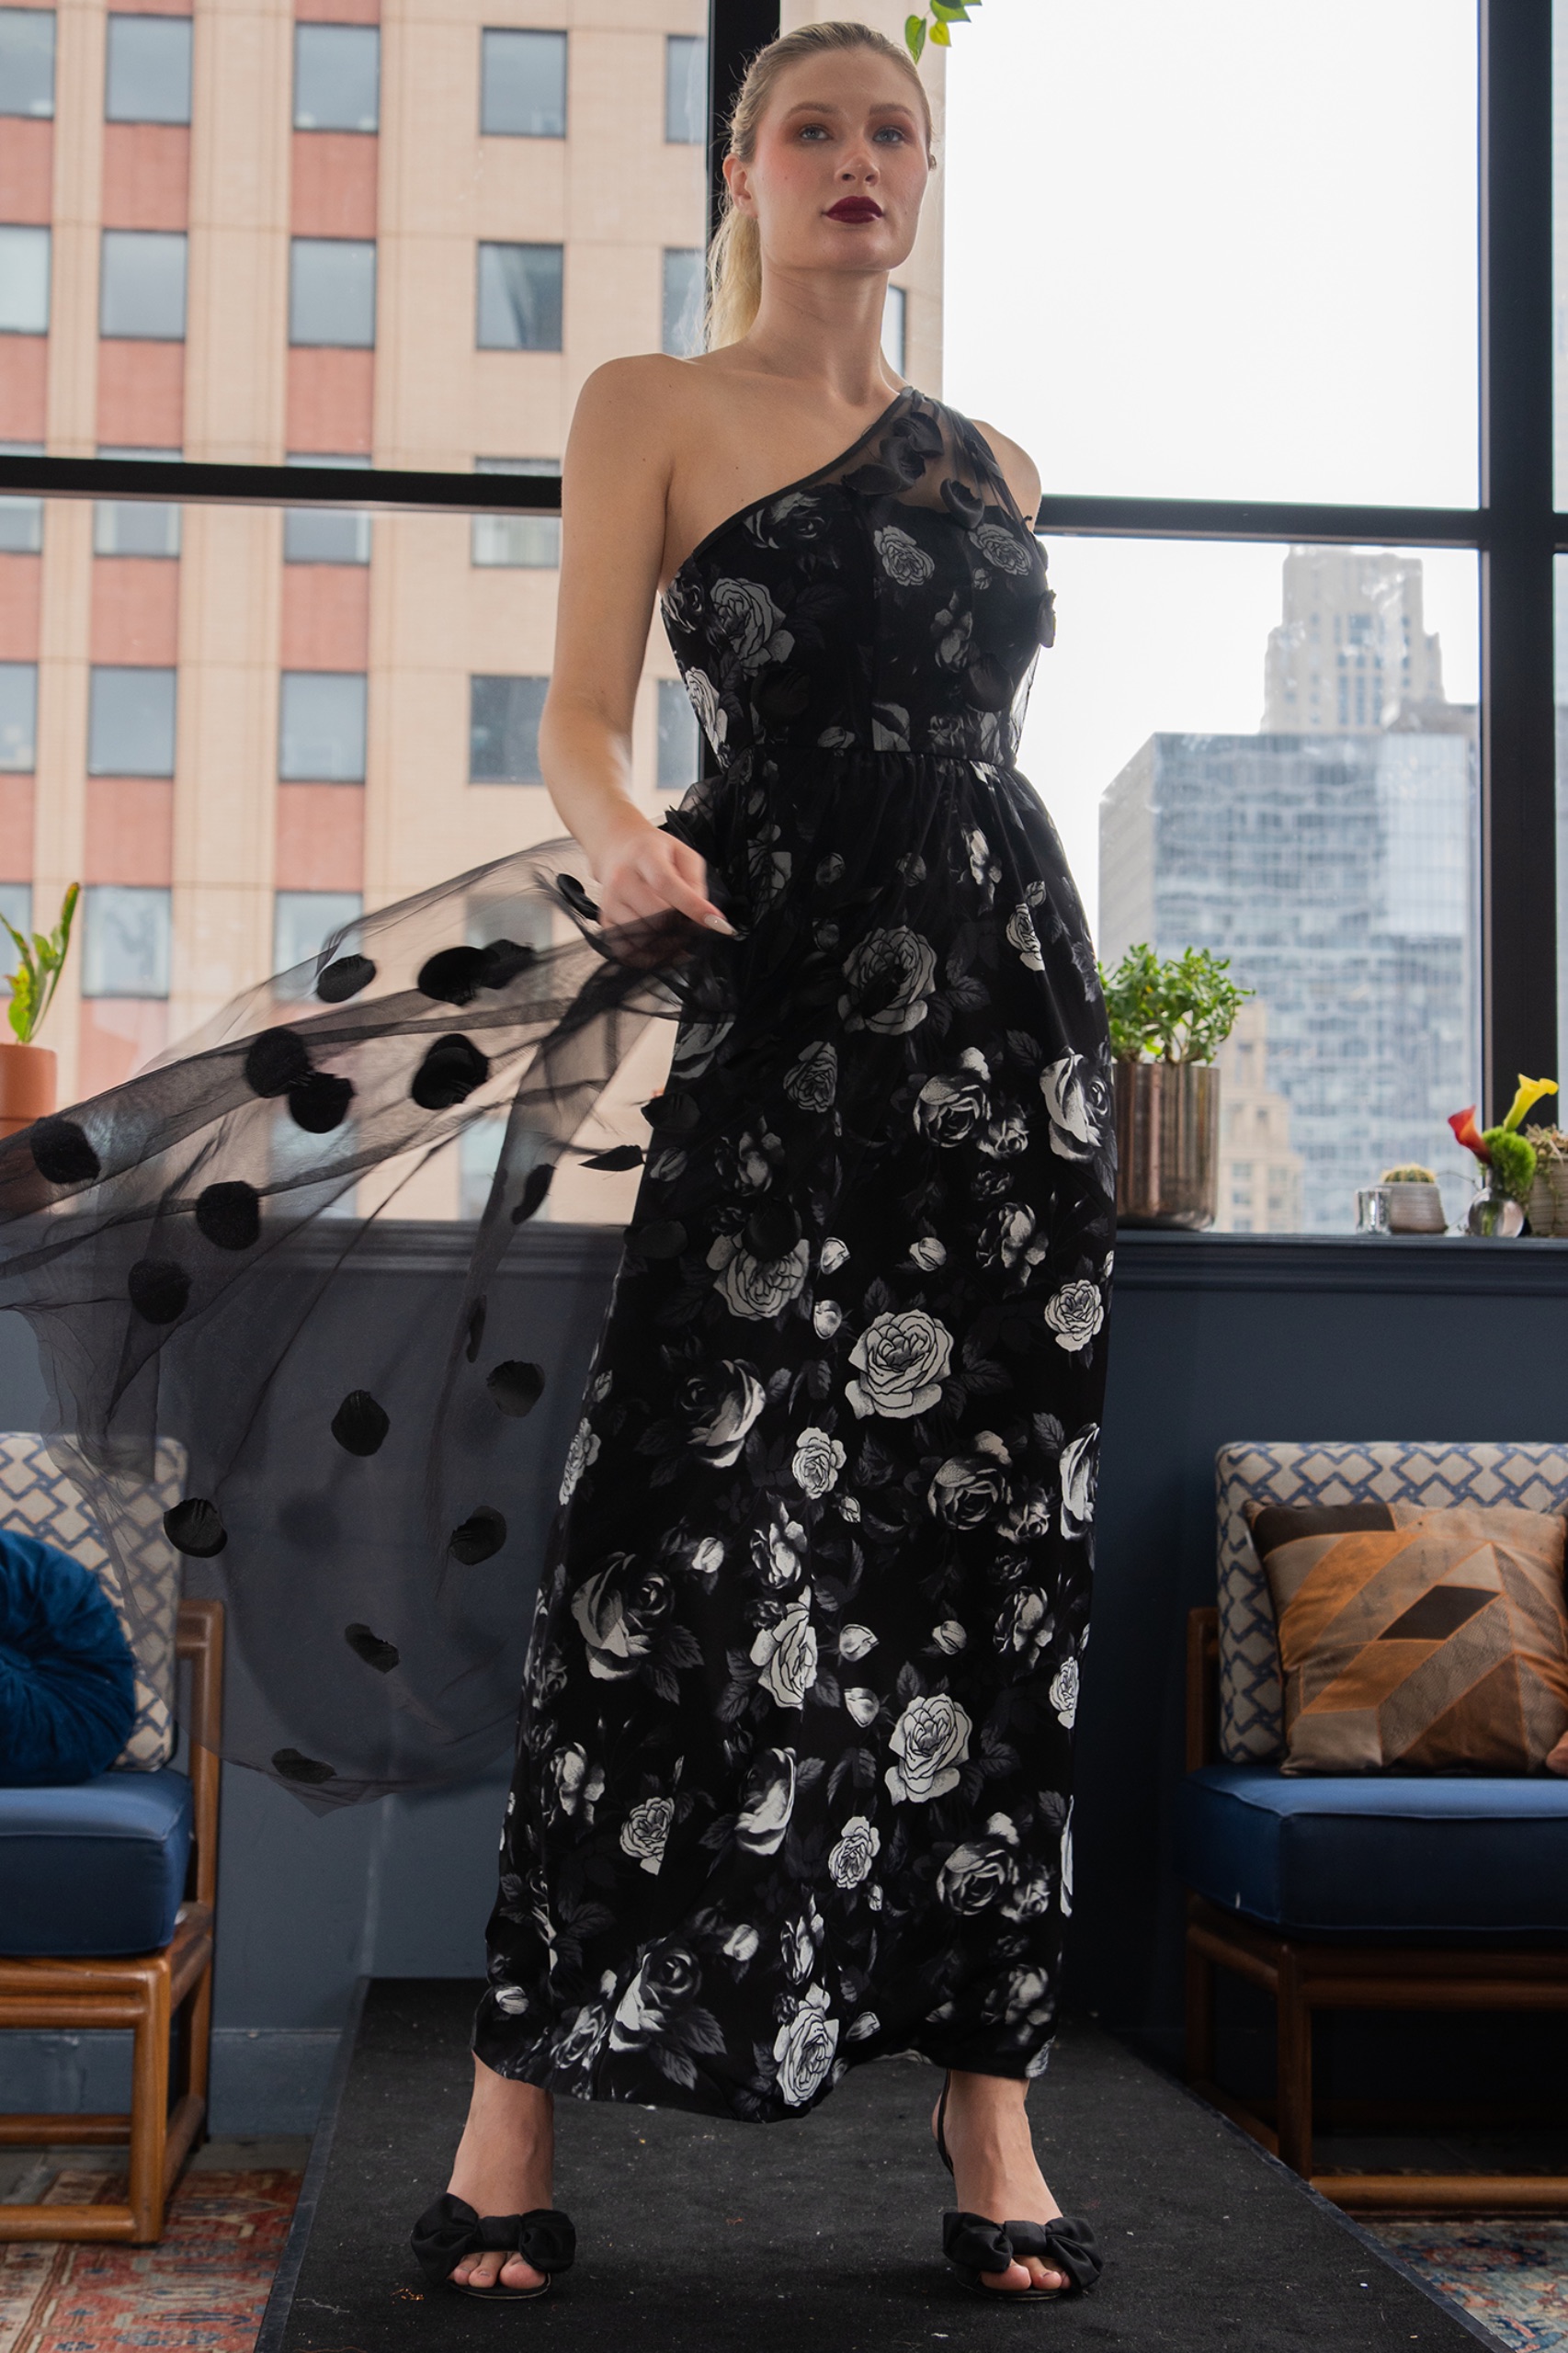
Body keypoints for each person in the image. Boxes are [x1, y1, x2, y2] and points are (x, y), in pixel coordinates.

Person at [408, 17, 1117, 2308]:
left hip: (1004, 1046)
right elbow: (583, 711)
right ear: (744, 164)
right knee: (674, 1530)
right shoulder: (650, 403)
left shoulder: (998, 457)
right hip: (786, 1010)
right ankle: (509, 2101)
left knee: (984, 1546)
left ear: (927, 177)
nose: (856, 159)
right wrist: (620, 838)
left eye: (893, 129)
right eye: (813, 126)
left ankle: (986, 2107)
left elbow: (991, 757)